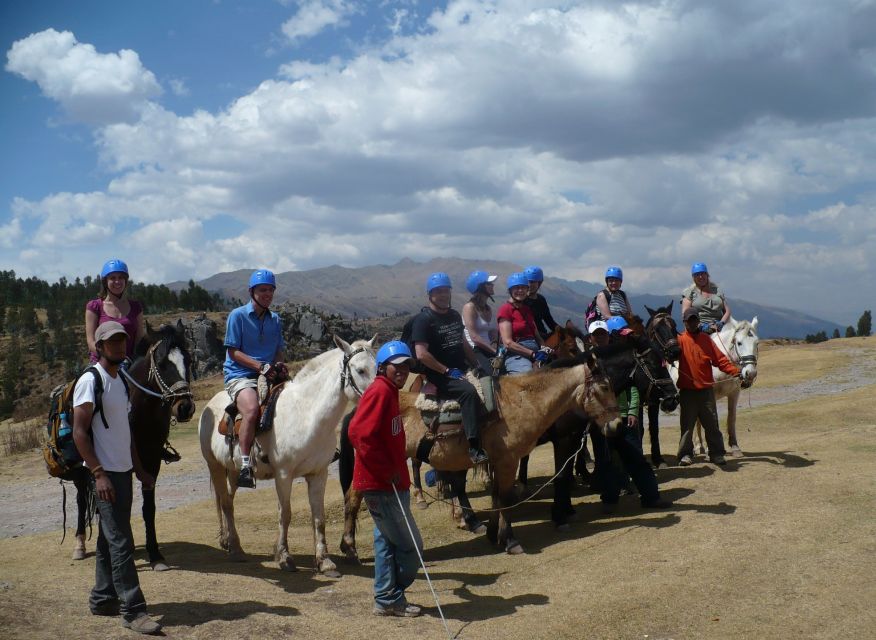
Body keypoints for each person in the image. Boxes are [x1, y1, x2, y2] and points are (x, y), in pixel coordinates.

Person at [71, 321, 162, 635]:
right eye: (112, 341)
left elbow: (126, 432)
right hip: (104, 475)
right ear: (100, 346)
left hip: (123, 473)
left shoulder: (121, 380)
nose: (120, 345)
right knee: (122, 541)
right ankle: (134, 611)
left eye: (122, 340)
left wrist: (138, 468)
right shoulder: (89, 380)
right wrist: (98, 474)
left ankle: (102, 597)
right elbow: (80, 433)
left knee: (109, 540)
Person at [348, 341, 424, 618]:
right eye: (397, 366)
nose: (403, 371)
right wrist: (384, 471)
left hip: (392, 482)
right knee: (410, 546)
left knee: (385, 544)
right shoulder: (379, 391)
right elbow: (358, 433)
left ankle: (385, 598)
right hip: (382, 486)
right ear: (383, 367)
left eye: (406, 366)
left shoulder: (390, 392)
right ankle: (392, 595)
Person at [588, 319, 670, 511]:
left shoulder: (622, 356)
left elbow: (633, 386)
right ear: (591, 338)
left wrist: (634, 411)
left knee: (636, 458)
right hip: (602, 419)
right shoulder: (587, 361)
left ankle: (651, 497)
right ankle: (609, 500)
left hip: (626, 416)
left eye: (603, 334)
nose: (600, 337)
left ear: (609, 335)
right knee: (605, 461)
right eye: (596, 335)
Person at [410, 272, 487, 464]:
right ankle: (474, 447)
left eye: (446, 291)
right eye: (438, 292)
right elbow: (421, 354)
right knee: (468, 392)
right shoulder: (423, 320)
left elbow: (463, 344)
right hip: (439, 374)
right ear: (430, 295)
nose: (443, 295)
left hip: (461, 368)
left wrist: (477, 364)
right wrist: (445, 371)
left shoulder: (453, 315)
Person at [223, 269, 286, 488]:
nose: (267, 294)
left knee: (297, 399)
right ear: (252, 292)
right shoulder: (237, 316)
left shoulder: (275, 319)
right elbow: (233, 352)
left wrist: (278, 365)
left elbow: (279, 350)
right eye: (262, 290)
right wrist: (260, 366)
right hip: (240, 374)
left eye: (270, 290)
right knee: (250, 409)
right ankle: (245, 466)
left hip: (268, 372)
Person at [676, 307, 741, 466]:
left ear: (698, 321)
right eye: (689, 320)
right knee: (687, 426)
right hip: (687, 391)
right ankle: (685, 454)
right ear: (684, 322)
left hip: (706, 391)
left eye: (694, 320)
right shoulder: (679, 340)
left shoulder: (706, 340)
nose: (692, 323)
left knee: (712, 424)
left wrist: (736, 372)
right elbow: (668, 355)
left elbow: (721, 361)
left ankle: (717, 454)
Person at [85, 259, 146, 365]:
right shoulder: (94, 307)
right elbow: (91, 342)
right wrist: (110, 358)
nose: (117, 281)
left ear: (126, 281)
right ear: (105, 281)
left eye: (121, 277)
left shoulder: (136, 307)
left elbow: (139, 339)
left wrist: (132, 361)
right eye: (113, 278)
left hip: (129, 365)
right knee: (88, 381)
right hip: (101, 364)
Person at [498, 272, 551, 375]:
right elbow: (508, 343)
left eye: (523, 288)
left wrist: (544, 348)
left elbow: (536, 335)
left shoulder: (526, 310)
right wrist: (533, 354)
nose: (520, 291)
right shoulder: (505, 310)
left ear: (527, 290)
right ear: (510, 290)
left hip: (535, 352)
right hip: (516, 355)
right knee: (529, 377)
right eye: (516, 288)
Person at [461, 270, 499, 372]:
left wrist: (495, 342)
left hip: (488, 348)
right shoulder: (469, 307)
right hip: (474, 349)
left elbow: (493, 330)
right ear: (480, 287)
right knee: (489, 374)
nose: (492, 285)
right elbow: (474, 337)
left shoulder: (488, 308)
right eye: (489, 283)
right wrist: (494, 351)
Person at [681, 262, 731, 334]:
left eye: (702, 273)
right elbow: (685, 314)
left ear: (707, 275)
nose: (700, 277)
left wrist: (722, 323)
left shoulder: (717, 290)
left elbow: (727, 311)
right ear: (693, 278)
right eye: (697, 275)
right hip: (698, 329)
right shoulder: (689, 293)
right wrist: (699, 326)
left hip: (719, 328)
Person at [522, 265, 558, 339]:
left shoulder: (541, 300)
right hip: (528, 338)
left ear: (539, 283)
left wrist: (564, 332)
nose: (529, 285)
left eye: (532, 282)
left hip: (543, 335)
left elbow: (549, 321)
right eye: (527, 282)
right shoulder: (521, 301)